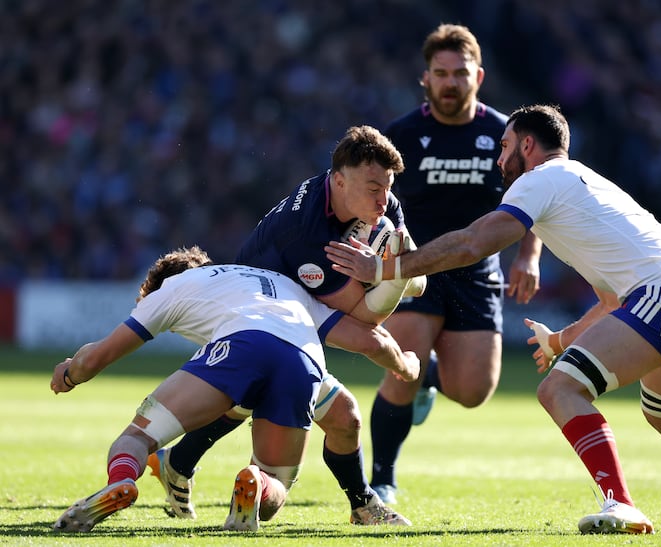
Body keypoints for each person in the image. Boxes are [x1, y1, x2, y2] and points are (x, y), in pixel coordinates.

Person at [326, 104, 661, 534]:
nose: (498, 158)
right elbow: (609, 300)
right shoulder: (581, 183)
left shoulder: (539, 178)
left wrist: (386, 269)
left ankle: (620, 503)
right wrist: (560, 340)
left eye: (503, 147)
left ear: (527, 145)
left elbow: (472, 243)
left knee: (560, 389)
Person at [147, 125, 424, 525]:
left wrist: (390, 270)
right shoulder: (307, 237)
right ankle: (264, 487)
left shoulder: (375, 198)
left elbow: (413, 270)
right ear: (341, 181)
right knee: (331, 401)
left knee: (327, 413)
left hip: (282, 315)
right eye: (374, 189)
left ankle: (180, 461)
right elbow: (368, 320)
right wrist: (405, 358)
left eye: (387, 188)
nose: (384, 200)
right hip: (266, 316)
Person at [51, 247, 420, 533]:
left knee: (136, 437)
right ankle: (256, 482)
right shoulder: (279, 283)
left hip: (240, 349)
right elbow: (364, 340)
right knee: (279, 483)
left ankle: (123, 482)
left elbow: (100, 355)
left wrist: (70, 374)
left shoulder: (173, 289)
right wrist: (405, 364)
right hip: (303, 361)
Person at [366, 23, 542, 504]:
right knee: (402, 368)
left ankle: (430, 377)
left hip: (478, 272)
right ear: (425, 78)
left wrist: (528, 255)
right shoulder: (400, 136)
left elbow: (537, 199)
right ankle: (381, 480)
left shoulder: (506, 135)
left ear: (478, 76)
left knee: (472, 391)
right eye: (440, 73)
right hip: (414, 270)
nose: (450, 82)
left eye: (459, 73)